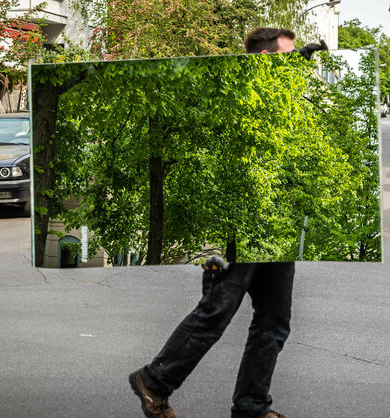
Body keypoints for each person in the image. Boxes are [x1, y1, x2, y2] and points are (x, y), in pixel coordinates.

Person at [128, 27, 302, 418]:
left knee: (274, 321)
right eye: (287, 58)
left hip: (273, 226)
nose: (295, 66)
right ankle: (153, 382)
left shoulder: (282, 105)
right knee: (217, 310)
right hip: (234, 229)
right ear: (262, 59)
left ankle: (252, 407)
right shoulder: (229, 97)